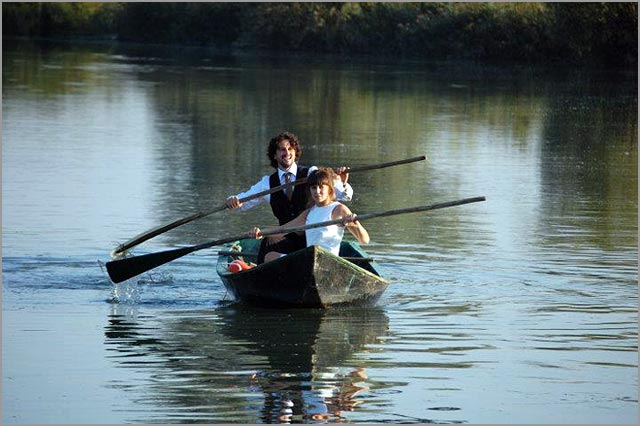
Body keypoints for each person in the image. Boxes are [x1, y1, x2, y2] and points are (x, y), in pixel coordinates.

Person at [226, 131, 353, 261]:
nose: (287, 153)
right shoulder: (267, 183)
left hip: (312, 237)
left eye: (290, 149)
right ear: (274, 155)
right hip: (287, 237)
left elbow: (343, 195)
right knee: (268, 241)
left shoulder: (311, 173)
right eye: (282, 150)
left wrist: (342, 182)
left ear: (295, 151)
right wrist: (233, 200)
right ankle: (261, 277)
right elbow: (243, 202)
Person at [248, 168, 369, 263]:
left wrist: (356, 224)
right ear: (310, 190)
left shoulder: (339, 209)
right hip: (308, 260)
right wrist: (260, 233)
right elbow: (282, 230)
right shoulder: (309, 212)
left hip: (329, 262)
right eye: (314, 187)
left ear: (330, 189)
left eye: (321, 187)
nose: (317, 191)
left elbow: (365, 240)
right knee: (269, 256)